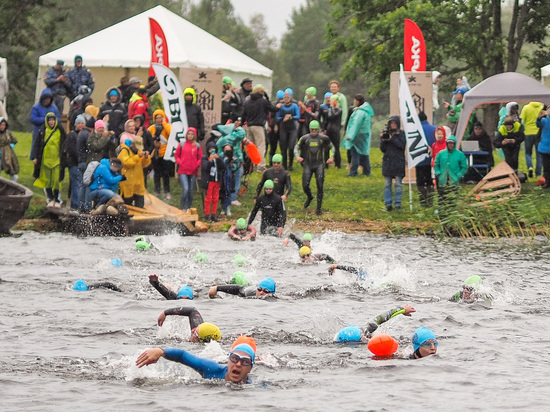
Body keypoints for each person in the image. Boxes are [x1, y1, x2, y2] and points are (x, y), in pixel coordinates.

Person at [136, 341, 256, 384]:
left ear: (250, 368)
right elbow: (182, 355)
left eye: (244, 361)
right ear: (228, 360)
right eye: (235, 358)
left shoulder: (253, 387)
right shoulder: (211, 369)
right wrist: (160, 351)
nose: (238, 364)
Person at [295, 120, 334, 215]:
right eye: (312, 130)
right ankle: (309, 196)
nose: (313, 131)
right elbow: (296, 147)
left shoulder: (323, 138)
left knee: (320, 186)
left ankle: (318, 208)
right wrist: (297, 157)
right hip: (308, 164)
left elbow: (332, 147)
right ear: (309, 129)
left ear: (318, 130)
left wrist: (331, 157)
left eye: (315, 130)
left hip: (319, 164)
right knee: (305, 185)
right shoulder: (304, 138)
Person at [33, 112, 67, 207]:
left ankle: (57, 199)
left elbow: (65, 142)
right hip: (45, 161)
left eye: (53, 120)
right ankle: (50, 198)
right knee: (47, 180)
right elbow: (37, 144)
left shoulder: (60, 130)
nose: (51, 122)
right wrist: (35, 157)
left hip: (57, 160)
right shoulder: (43, 130)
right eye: (49, 120)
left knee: (56, 180)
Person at [242, 84, 278, 171]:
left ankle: (251, 166)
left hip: (249, 126)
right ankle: (261, 166)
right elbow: (272, 108)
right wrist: (278, 107)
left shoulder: (247, 100)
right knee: (261, 146)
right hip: (258, 126)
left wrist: (243, 124)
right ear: (261, 92)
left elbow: (243, 114)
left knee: (251, 147)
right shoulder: (262, 100)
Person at [334, 305, 416, 343]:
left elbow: (380, 318)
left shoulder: (365, 330)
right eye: (362, 338)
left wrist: (401, 309)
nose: (366, 338)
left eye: (363, 335)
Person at [216, 119, 247, 210]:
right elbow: (241, 134)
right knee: (234, 179)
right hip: (232, 162)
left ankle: (227, 199)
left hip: (228, 162)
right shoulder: (231, 137)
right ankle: (232, 198)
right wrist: (240, 129)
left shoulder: (223, 138)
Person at [343, 94, 374, 177]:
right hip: (364, 134)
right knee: (364, 153)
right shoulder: (365, 110)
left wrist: (350, 136)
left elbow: (356, 125)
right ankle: (367, 171)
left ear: (357, 101)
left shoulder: (360, 112)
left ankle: (353, 172)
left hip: (358, 135)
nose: (353, 102)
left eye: (354, 100)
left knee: (355, 152)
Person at [380, 116, 406, 211]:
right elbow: (382, 149)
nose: (393, 125)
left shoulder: (402, 134)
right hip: (388, 161)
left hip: (398, 161)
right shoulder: (386, 133)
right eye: (392, 123)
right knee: (387, 184)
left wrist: (392, 139)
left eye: (395, 123)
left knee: (398, 184)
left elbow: (402, 145)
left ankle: (398, 203)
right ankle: (388, 203)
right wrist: (383, 140)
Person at [118, 136, 151, 208]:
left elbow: (145, 164)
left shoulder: (139, 151)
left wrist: (146, 158)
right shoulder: (125, 151)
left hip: (138, 183)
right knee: (127, 206)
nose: (138, 148)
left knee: (140, 205)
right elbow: (127, 163)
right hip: (128, 182)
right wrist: (137, 157)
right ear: (133, 144)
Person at [157, 306, 221, 343]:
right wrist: (165, 313)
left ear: (199, 340)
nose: (192, 330)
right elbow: (192, 310)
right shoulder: (200, 331)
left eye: (195, 333)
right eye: (197, 328)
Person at [175, 127, 202, 212]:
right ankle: (183, 206)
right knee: (186, 188)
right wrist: (180, 162)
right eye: (189, 134)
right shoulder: (182, 144)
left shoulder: (197, 145)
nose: (190, 136)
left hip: (193, 171)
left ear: (194, 135)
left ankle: (188, 207)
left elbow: (200, 157)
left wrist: (196, 164)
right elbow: (176, 155)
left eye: (192, 134)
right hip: (183, 170)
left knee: (191, 190)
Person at [434, 135, 468, 203]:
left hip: (454, 180)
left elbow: (464, 167)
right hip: (442, 180)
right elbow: (436, 164)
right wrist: (438, 173)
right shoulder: (441, 153)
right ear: (447, 143)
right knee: (441, 199)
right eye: (449, 143)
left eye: (452, 143)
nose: (450, 145)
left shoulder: (460, 154)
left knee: (453, 200)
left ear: (454, 144)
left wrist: (458, 175)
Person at [30, 89, 60, 161]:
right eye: (46, 99)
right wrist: (45, 120)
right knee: (37, 145)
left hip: (51, 131)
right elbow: (33, 119)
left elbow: (58, 119)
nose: (47, 101)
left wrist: (52, 121)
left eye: (49, 99)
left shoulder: (54, 108)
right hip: (39, 130)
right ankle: (34, 157)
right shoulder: (36, 107)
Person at [148, 109, 172, 199]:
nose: (158, 119)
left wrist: (164, 123)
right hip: (155, 153)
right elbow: (147, 137)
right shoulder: (152, 128)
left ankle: (167, 191)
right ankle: (157, 190)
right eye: (157, 118)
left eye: (160, 117)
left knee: (166, 173)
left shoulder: (166, 126)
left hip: (165, 153)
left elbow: (170, 132)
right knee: (157, 173)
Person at [62, 115, 85, 209]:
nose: (81, 125)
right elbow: (72, 149)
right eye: (79, 123)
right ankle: (75, 204)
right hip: (74, 163)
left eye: (82, 123)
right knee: (76, 184)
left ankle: (79, 203)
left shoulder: (84, 135)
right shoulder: (71, 135)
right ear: (75, 124)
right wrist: (80, 158)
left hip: (81, 163)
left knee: (80, 184)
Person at [276, 90, 300, 171]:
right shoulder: (281, 106)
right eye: (285, 97)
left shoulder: (294, 106)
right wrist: (284, 118)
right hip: (283, 129)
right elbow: (277, 117)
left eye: (288, 97)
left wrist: (290, 117)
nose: (286, 99)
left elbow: (298, 116)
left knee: (291, 147)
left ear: (291, 98)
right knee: (283, 147)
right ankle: (285, 165)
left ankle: (290, 165)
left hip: (292, 129)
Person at [201, 141, 225, 222]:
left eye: (213, 149)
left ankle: (214, 214)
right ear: (208, 150)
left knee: (215, 198)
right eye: (210, 149)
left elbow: (223, 167)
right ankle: (207, 214)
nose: (212, 150)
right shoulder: (205, 158)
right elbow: (205, 168)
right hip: (209, 181)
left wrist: (218, 159)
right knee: (208, 199)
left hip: (217, 181)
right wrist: (210, 161)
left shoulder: (218, 158)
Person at [416, 112, 436, 207]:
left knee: (420, 181)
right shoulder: (434, 129)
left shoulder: (416, 130)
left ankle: (422, 201)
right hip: (430, 159)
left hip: (419, 159)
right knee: (429, 180)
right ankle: (430, 200)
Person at [521, 102, 544, 178]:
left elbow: (522, 121)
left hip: (528, 133)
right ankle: (538, 173)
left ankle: (530, 167)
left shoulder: (526, 107)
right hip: (539, 133)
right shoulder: (541, 108)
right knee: (539, 154)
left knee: (528, 152)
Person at [320, 92, 343, 169]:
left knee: (336, 147)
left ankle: (338, 164)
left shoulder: (339, 110)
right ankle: (326, 164)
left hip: (335, 130)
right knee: (326, 146)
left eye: (332, 100)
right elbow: (326, 120)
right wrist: (324, 129)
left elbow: (332, 116)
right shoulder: (329, 109)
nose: (330, 102)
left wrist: (332, 108)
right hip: (328, 129)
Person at [208, 277, 276, 299]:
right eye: (259, 289)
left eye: (266, 291)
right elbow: (238, 288)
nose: (261, 292)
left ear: (272, 293)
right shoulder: (249, 293)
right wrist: (217, 288)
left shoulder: (274, 300)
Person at [536, 108, 550, 188]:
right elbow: (538, 124)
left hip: (546, 146)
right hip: (545, 147)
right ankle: (547, 182)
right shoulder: (544, 120)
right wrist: (539, 117)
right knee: (546, 167)